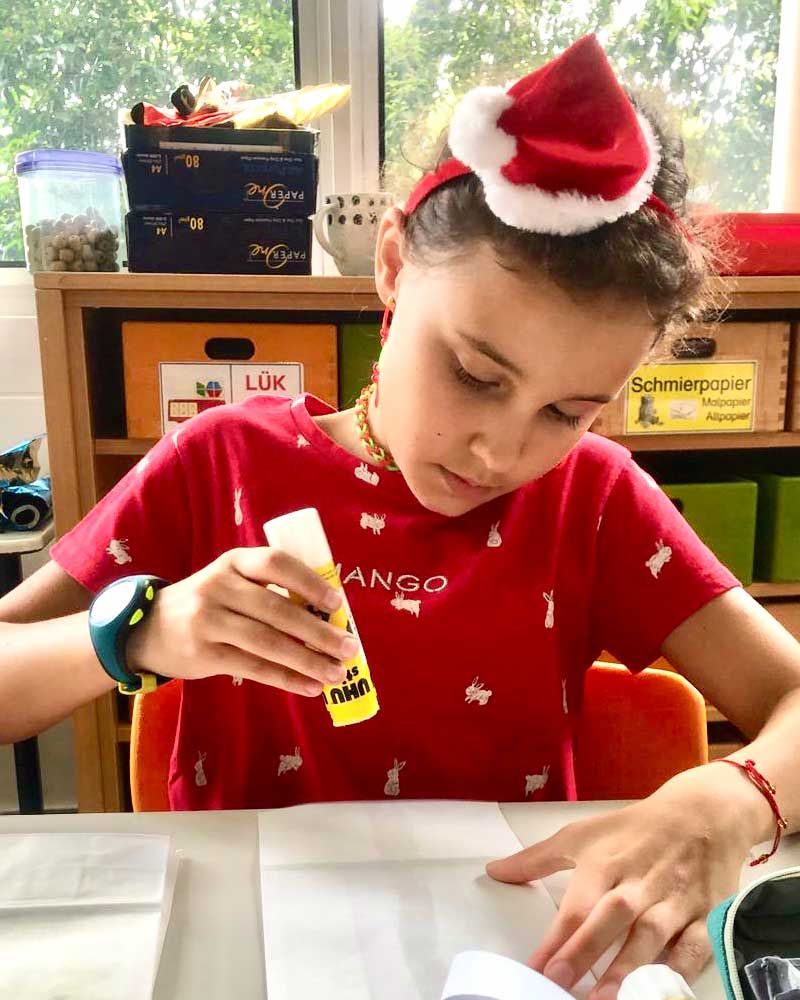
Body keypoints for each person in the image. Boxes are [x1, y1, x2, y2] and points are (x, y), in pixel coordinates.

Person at [1, 33, 799, 1000]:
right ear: (390, 266)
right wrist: (137, 631)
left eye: (568, 411)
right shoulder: (223, 464)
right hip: (251, 955)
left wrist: (734, 798)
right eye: (472, 373)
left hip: (504, 954)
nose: (499, 454)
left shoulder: (591, 500)